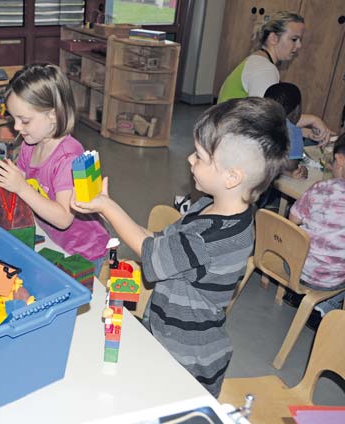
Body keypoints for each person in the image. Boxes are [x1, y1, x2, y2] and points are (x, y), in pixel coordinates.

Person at [72, 98, 289, 397]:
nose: (189, 159)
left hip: (187, 355)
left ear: (232, 177)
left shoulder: (211, 238)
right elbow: (160, 242)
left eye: (199, 157)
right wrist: (109, 211)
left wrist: (108, 207)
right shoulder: (210, 208)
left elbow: (150, 252)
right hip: (166, 331)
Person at [0, 64, 109, 272]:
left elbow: (64, 218)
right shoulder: (30, 145)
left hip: (84, 253)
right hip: (54, 241)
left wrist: (21, 187)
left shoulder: (69, 158)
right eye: (14, 119)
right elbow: (22, 185)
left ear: (53, 116)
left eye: (24, 120)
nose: (17, 127)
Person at [217, 11, 332, 145]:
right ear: (273, 38)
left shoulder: (259, 60)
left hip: (229, 132)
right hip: (232, 141)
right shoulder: (263, 68)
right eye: (294, 39)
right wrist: (312, 120)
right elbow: (266, 118)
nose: (299, 45)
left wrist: (305, 132)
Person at [288, 134, 345, 321]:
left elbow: (292, 221)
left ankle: (300, 297)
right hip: (330, 282)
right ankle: (328, 307)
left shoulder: (321, 188)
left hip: (295, 268)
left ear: (339, 160)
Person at [264, 82, 307, 179]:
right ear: (297, 109)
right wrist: (296, 171)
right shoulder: (292, 130)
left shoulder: (257, 121)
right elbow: (291, 166)